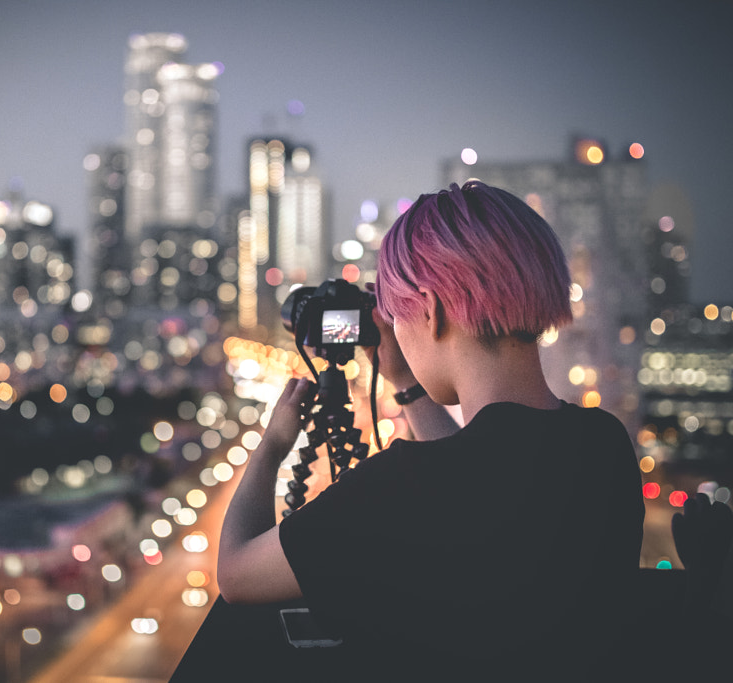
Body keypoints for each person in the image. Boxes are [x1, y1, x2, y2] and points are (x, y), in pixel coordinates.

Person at [216, 181, 645, 679]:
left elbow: (236, 574)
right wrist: (403, 381)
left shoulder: (397, 488)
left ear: (431, 309)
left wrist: (270, 446)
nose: (395, 328)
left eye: (398, 315)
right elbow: (478, 485)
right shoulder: (603, 444)